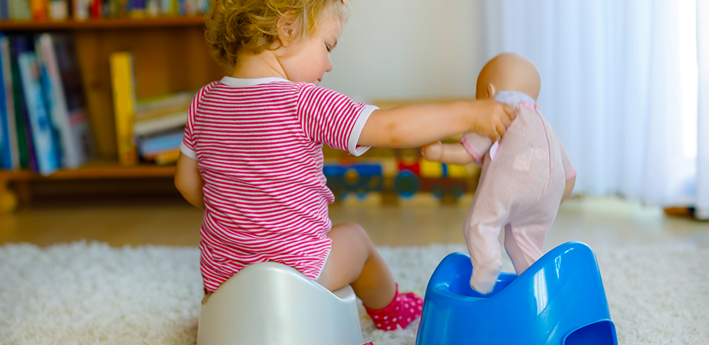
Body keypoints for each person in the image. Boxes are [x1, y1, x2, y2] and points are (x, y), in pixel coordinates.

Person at [174, 0, 515, 330]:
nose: (329, 64)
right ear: (286, 28)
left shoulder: (203, 102)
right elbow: (392, 128)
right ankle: (391, 309)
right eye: (328, 46)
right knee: (355, 238)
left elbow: (186, 184)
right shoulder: (305, 101)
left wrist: (242, 207)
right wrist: (469, 114)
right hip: (300, 272)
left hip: (221, 281)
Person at [422, 53, 576, 294]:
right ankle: (537, 289)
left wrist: (440, 151)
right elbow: (569, 175)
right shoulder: (546, 126)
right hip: (551, 191)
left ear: (488, 91)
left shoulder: (497, 113)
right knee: (522, 241)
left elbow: (466, 153)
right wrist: (551, 200)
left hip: (514, 180)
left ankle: (487, 265)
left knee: (480, 223)